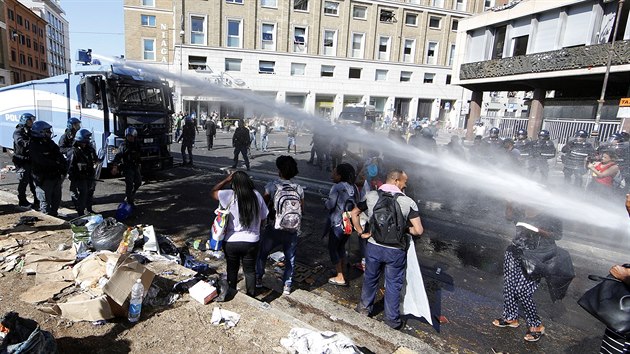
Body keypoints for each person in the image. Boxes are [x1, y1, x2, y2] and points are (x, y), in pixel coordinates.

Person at [350, 169, 424, 329]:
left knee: (370, 278)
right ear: (397, 181)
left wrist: (361, 232)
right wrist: (404, 230)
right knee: (393, 283)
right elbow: (418, 230)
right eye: (405, 181)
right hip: (395, 251)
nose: (406, 184)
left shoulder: (371, 196)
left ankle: (363, 309)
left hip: (374, 246)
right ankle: (391, 320)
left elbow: (354, 213)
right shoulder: (408, 202)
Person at [493, 202, 562, 342]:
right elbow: (509, 217)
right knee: (510, 286)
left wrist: (538, 231)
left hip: (536, 256)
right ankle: (511, 317)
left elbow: (558, 235)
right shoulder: (522, 206)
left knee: (523, 291)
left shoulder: (552, 213)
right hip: (514, 251)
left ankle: (536, 325)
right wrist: (509, 203)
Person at [211, 171, 268, 297]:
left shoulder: (228, 195)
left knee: (232, 269)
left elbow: (213, 192)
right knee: (250, 270)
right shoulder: (256, 195)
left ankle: (231, 292)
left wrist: (226, 180)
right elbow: (264, 217)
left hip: (231, 241)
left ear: (233, 183)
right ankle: (251, 296)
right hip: (252, 241)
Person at [256, 156, 304, 295]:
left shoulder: (272, 186)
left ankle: (259, 278)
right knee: (290, 258)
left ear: (279, 171)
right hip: (292, 229)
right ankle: (287, 286)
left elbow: (262, 205)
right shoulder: (299, 188)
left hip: (274, 227)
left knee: (263, 253)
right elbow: (302, 209)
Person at [324, 163, 358, 287]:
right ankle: (341, 270)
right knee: (341, 247)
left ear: (339, 175)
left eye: (334, 172)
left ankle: (340, 276)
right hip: (348, 223)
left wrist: (325, 202)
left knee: (333, 248)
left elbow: (330, 205)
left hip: (337, 223)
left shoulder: (337, 187)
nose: (332, 174)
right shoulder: (353, 187)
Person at [29, 121, 67, 216]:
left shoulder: (50, 143)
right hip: (43, 178)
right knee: (45, 202)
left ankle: (54, 214)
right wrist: (56, 164)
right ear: (40, 132)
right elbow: (41, 161)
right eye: (47, 131)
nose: (50, 133)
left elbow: (59, 155)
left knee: (56, 200)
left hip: (55, 177)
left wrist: (62, 165)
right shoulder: (34, 145)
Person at [67, 129, 98, 216]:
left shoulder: (89, 149)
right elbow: (70, 166)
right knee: (82, 194)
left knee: (90, 193)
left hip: (89, 176)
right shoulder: (74, 151)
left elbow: (95, 159)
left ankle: (89, 209)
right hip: (79, 178)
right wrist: (75, 177)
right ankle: (80, 212)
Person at [12, 113, 39, 208]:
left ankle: (37, 200)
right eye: (30, 121)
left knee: (34, 181)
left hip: (30, 160)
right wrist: (30, 143)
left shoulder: (30, 131)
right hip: (21, 161)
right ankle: (22, 200)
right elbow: (20, 142)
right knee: (23, 181)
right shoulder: (18, 132)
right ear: (24, 121)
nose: (32, 123)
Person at [112, 127, 142, 206]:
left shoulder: (137, 144)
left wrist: (139, 163)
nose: (130, 138)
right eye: (128, 136)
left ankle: (132, 193)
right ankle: (129, 201)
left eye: (131, 136)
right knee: (129, 184)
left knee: (138, 182)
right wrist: (115, 166)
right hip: (127, 167)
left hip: (135, 166)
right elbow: (118, 156)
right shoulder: (123, 145)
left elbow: (139, 155)